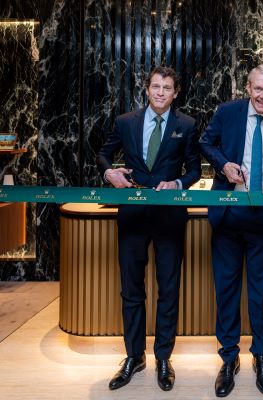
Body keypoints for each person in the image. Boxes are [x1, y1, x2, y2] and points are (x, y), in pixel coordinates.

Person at [97, 66, 200, 391]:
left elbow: (194, 169)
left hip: (170, 216)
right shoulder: (125, 122)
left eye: (167, 88)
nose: (160, 92)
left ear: (175, 93)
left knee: (168, 289)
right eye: (155, 86)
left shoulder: (187, 125)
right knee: (131, 289)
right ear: (147, 89)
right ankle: (134, 356)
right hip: (133, 215)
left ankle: (164, 358)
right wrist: (110, 173)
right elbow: (103, 154)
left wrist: (178, 183)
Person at [199, 64, 263, 397]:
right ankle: (229, 359)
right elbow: (205, 142)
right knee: (226, 291)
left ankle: (260, 357)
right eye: (259, 89)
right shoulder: (228, 112)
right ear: (248, 87)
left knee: (259, 293)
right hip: (228, 215)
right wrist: (223, 164)